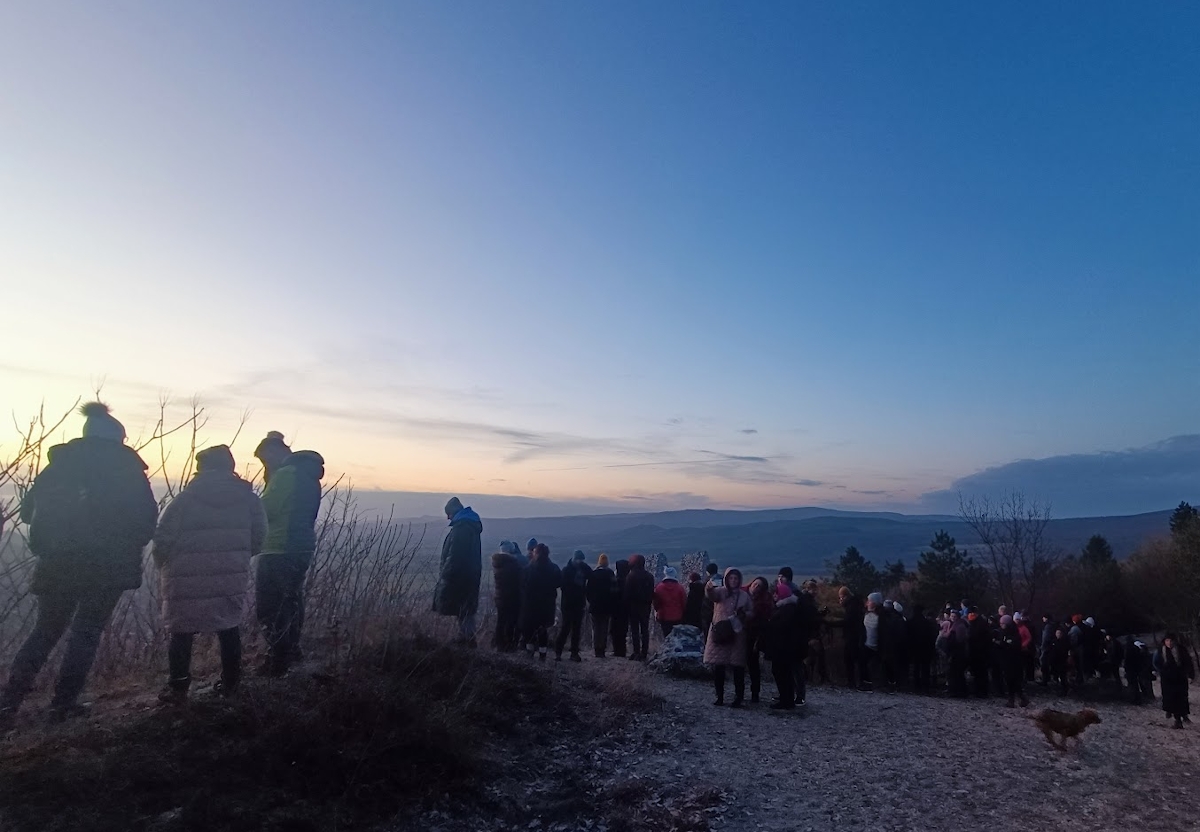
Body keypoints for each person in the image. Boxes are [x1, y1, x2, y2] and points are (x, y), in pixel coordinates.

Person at [0, 403, 157, 726]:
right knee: (86, 633)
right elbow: (146, 522)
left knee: (44, 632)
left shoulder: (59, 466)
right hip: (108, 568)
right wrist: (126, 543)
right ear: (118, 438)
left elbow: (29, 513)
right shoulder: (127, 470)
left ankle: (8, 705)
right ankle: (62, 705)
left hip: (58, 562)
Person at [153, 445, 266, 703]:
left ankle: (178, 687)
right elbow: (259, 537)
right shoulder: (249, 500)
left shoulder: (184, 500)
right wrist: (237, 558)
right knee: (228, 626)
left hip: (185, 574)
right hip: (231, 572)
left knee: (182, 630)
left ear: (200, 468)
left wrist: (164, 566)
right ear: (231, 467)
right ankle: (231, 683)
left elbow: (162, 539)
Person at [253, 433, 324, 675]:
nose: (265, 466)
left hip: (279, 546)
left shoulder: (286, 475)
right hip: (301, 545)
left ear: (273, 452)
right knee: (292, 600)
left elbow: (266, 511)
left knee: (270, 605)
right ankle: (291, 651)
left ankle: (278, 659)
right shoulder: (308, 475)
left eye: (265, 460)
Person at [432, 497, 483, 646]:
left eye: (449, 514)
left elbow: (456, 556)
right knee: (465, 608)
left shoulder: (462, 529)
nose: (448, 517)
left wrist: (446, 574)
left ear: (454, 512)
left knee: (463, 607)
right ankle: (466, 637)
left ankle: (468, 639)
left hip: (461, 575)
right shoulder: (469, 526)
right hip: (469, 574)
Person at [703, 568, 753, 707]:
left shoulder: (744, 596)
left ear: (739, 580)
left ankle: (739, 697)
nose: (733, 581)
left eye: (736, 578)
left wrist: (745, 615)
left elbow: (751, 611)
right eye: (731, 578)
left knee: (738, 668)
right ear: (726, 579)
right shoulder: (721, 592)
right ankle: (720, 696)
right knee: (718, 668)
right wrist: (709, 588)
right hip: (721, 632)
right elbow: (711, 596)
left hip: (737, 633)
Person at [765, 582, 802, 709]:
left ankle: (786, 700)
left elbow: (780, 628)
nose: (774, 595)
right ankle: (786, 698)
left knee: (782, 673)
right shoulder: (789, 608)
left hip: (782, 649)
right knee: (783, 673)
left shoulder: (786, 610)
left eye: (776, 593)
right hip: (785, 648)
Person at [520, 543, 560, 661]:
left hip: (530, 606)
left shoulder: (528, 569)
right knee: (543, 630)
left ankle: (529, 653)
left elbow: (522, 585)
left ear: (535, 553)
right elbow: (559, 582)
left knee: (530, 630)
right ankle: (543, 654)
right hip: (547, 605)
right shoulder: (554, 568)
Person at [1153, 633, 1194, 729]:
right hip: (1168, 679)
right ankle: (1177, 719)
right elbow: (1156, 662)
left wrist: (1190, 675)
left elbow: (1188, 662)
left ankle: (1183, 715)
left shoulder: (1181, 650)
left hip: (1180, 678)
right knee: (1171, 698)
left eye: (1171, 641)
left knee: (1182, 698)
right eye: (1167, 641)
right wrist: (1161, 671)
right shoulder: (1161, 651)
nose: (1169, 643)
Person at [555, 550, 591, 661]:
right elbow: (563, 586)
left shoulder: (583, 568)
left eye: (582, 560)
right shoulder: (566, 570)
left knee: (576, 629)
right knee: (565, 628)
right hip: (568, 604)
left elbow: (592, 575)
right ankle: (558, 652)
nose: (580, 562)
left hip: (578, 603)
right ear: (574, 559)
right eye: (578, 560)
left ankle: (574, 653)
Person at [745, 577, 775, 704]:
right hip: (741, 634)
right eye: (755, 584)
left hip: (753, 636)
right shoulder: (742, 595)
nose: (755, 587)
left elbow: (765, 620)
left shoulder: (764, 603)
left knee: (753, 665)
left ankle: (755, 693)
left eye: (759, 586)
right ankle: (740, 692)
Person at [491, 541, 524, 651]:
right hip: (512, 597)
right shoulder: (512, 564)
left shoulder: (497, 562)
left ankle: (499, 644)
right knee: (510, 622)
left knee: (500, 621)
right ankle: (509, 645)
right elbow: (520, 579)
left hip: (499, 596)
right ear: (510, 550)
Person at [624, 555, 655, 660]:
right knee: (644, 630)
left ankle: (636, 652)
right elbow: (651, 593)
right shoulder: (650, 576)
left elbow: (627, 593)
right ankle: (644, 652)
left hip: (633, 606)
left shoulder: (631, 576)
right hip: (645, 606)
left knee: (634, 630)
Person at [586, 554, 617, 658]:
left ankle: (596, 650)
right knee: (604, 628)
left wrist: (591, 601)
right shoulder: (610, 573)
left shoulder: (593, 574)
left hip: (595, 605)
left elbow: (588, 591)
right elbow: (614, 590)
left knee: (595, 628)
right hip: (607, 606)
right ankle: (602, 650)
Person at [999, 614, 1029, 708]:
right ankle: (1018, 698)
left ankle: (1015, 699)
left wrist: (1003, 644)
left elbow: (1014, 646)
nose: (1001, 625)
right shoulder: (1005, 632)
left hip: (1013, 660)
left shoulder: (1013, 634)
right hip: (1007, 660)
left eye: (1002, 623)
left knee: (1013, 680)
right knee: (1011, 681)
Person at [838, 587, 865, 689]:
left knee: (849, 660)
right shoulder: (855, 605)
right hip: (856, 636)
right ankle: (859, 681)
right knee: (855, 660)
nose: (840, 600)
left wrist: (829, 622)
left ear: (845, 596)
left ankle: (852, 682)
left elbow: (847, 622)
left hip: (852, 636)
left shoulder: (851, 607)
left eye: (840, 597)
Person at [908, 605, 937, 693]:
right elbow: (931, 637)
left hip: (915, 648)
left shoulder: (910, 622)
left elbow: (908, 636)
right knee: (925, 667)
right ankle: (925, 686)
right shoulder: (926, 623)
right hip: (926, 649)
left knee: (916, 667)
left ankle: (916, 685)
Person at [652, 567, 687, 638]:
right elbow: (684, 602)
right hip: (677, 616)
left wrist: (657, 611)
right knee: (676, 637)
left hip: (663, 616)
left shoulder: (659, 587)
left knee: (666, 636)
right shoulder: (680, 587)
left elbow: (656, 603)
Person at [967, 609, 992, 698]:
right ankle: (981, 690)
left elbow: (974, 637)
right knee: (980, 673)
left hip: (978, 652)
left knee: (979, 672)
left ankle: (981, 691)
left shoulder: (977, 625)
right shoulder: (981, 623)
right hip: (980, 652)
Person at [945, 610, 970, 697]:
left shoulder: (959, 626)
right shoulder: (955, 625)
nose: (952, 618)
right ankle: (958, 691)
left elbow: (959, 641)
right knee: (956, 673)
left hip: (958, 653)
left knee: (956, 673)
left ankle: (958, 691)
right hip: (957, 652)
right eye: (951, 616)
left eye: (954, 616)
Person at [610, 559, 631, 658]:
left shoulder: (615, 580)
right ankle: (622, 651)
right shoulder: (628, 580)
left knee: (615, 630)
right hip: (625, 609)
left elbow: (612, 594)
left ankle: (616, 650)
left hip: (615, 609)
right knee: (623, 630)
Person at [699, 562, 720, 644]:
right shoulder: (724, 580)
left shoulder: (707, 582)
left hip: (707, 610)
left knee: (707, 632)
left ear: (707, 572)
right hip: (720, 610)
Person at [1124, 638, 1149, 705]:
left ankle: (1134, 699)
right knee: (1136, 685)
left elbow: (1126, 661)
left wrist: (1126, 669)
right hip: (1136, 670)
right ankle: (1138, 698)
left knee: (1132, 685)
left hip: (1130, 670)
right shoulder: (1136, 649)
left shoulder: (1128, 650)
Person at [1014, 612, 1035, 683]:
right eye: (1015, 619)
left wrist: (1023, 645)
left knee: (1024, 664)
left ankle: (1025, 678)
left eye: (1018, 619)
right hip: (1014, 648)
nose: (1017, 621)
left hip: (1023, 648)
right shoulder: (1012, 627)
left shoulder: (1024, 628)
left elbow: (1029, 637)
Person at [1038, 614, 1056, 686]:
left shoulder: (1047, 627)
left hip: (1046, 647)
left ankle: (1045, 679)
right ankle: (1048, 678)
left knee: (1044, 663)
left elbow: (1045, 638)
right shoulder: (1053, 626)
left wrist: (1042, 646)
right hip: (1050, 647)